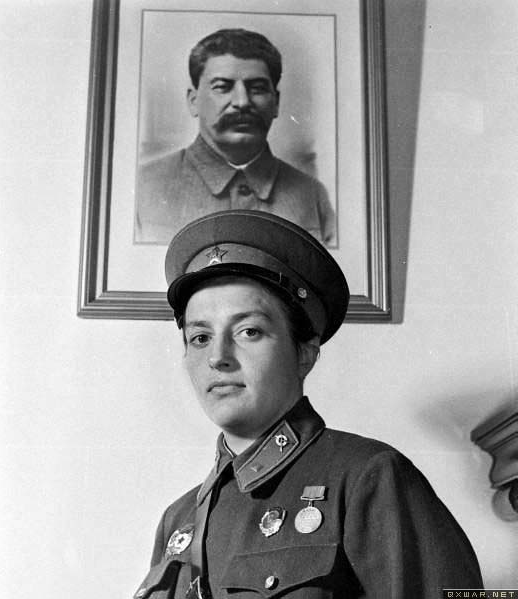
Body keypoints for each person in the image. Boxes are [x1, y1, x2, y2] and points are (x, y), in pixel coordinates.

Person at [133, 210, 483, 599]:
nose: (218, 357)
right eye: (200, 338)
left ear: (305, 353)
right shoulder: (178, 522)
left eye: (249, 331)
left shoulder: (369, 478)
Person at [135, 29, 335, 246]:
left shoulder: (313, 196)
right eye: (222, 87)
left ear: (276, 102)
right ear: (193, 101)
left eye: (257, 88)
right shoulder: (145, 187)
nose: (242, 102)